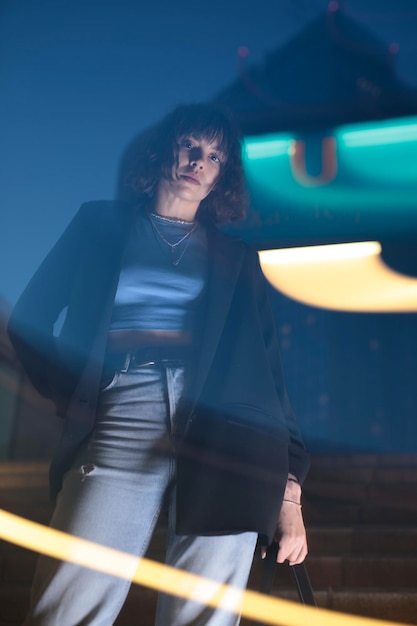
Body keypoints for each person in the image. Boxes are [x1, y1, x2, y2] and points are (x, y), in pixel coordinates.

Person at [8, 103, 310, 626]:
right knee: (67, 607)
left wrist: (290, 497)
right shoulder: (98, 225)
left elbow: (269, 380)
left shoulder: (238, 261)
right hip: (123, 409)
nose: (199, 161)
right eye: (191, 146)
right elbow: (30, 317)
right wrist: (77, 390)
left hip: (227, 436)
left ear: (222, 177)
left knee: (206, 617)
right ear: (164, 150)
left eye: (215, 156)